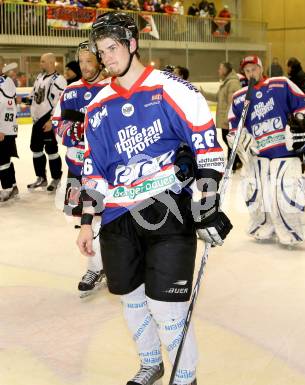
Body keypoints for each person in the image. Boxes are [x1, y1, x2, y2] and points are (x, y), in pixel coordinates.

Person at [76, 12, 232, 385]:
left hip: (166, 210)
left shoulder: (171, 89)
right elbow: (93, 171)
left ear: (132, 44)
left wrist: (206, 206)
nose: (106, 58)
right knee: (130, 302)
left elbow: (208, 148)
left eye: (112, 48)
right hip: (117, 218)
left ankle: (185, 378)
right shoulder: (98, 106)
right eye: (101, 51)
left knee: (167, 308)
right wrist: (86, 222)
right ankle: (151, 363)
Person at [228, 55, 305, 247]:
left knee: (286, 191)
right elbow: (234, 126)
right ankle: (263, 226)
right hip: (258, 154)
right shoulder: (240, 97)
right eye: (247, 71)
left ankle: (293, 230)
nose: (251, 73)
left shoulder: (281, 84)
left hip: (285, 150)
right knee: (256, 192)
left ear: (261, 68)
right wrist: (239, 138)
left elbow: (304, 105)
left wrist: (301, 121)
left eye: (254, 69)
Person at [52, 41, 110, 297]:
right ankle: (98, 264)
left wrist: (83, 126)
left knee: (103, 217)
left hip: (104, 168)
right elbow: (59, 123)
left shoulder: (111, 87)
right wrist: (74, 129)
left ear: (99, 60)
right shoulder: (71, 90)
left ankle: (98, 266)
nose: (85, 67)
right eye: (82, 61)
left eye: (90, 61)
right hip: (77, 166)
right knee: (84, 218)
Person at [27, 53, 66, 191]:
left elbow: (60, 102)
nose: (40, 63)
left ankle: (56, 178)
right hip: (37, 120)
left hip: (47, 118)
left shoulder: (59, 80)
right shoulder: (39, 76)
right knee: (36, 149)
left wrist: (51, 120)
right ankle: (41, 178)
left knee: (51, 150)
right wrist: (26, 100)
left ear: (51, 62)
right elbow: (34, 95)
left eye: (43, 61)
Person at [200, 62, 242, 170]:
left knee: (229, 141)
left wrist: (228, 119)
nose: (218, 71)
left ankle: (233, 164)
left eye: (220, 68)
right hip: (226, 119)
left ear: (225, 70)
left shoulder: (232, 83)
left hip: (229, 120)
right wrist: (203, 93)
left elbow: (232, 102)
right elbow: (217, 97)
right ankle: (235, 162)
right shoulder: (227, 82)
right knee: (227, 140)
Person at [286, 57, 305, 170]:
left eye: (288, 66)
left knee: (300, 136)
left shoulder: (297, 78)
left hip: (299, 111)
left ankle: (303, 161)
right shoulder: (303, 75)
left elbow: (297, 95)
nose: (287, 69)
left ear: (292, 66)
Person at [0, 58, 19, 202]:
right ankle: (12, 186)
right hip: (4, 129)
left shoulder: (5, 82)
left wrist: (2, 129)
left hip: (4, 129)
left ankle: (7, 189)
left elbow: (8, 107)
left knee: (2, 159)